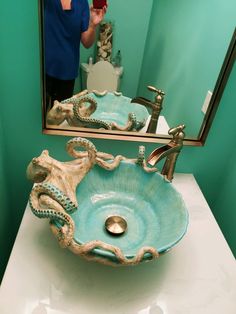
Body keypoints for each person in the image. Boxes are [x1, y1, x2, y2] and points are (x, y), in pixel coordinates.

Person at [44, 0, 107, 108]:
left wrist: (92, 25)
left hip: (67, 73)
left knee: (60, 121)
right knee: (38, 115)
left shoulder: (81, 3)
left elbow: (86, 43)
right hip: (43, 68)